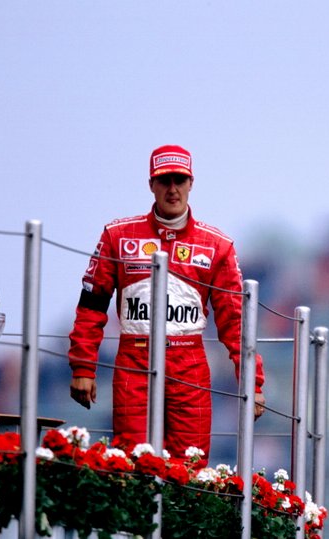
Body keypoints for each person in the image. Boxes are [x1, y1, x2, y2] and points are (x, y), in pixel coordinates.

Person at [68, 144, 265, 465]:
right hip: (133, 359)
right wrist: (83, 366)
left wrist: (251, 382)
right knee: (129, 464)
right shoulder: (118, 236)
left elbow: (236, 322)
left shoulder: (217, 245)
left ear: (191, 183)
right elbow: (92, 304)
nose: (172, 189)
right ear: (151, 184)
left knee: (191, 465)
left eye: (179, 180)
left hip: (189, 365)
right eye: (164, 181)